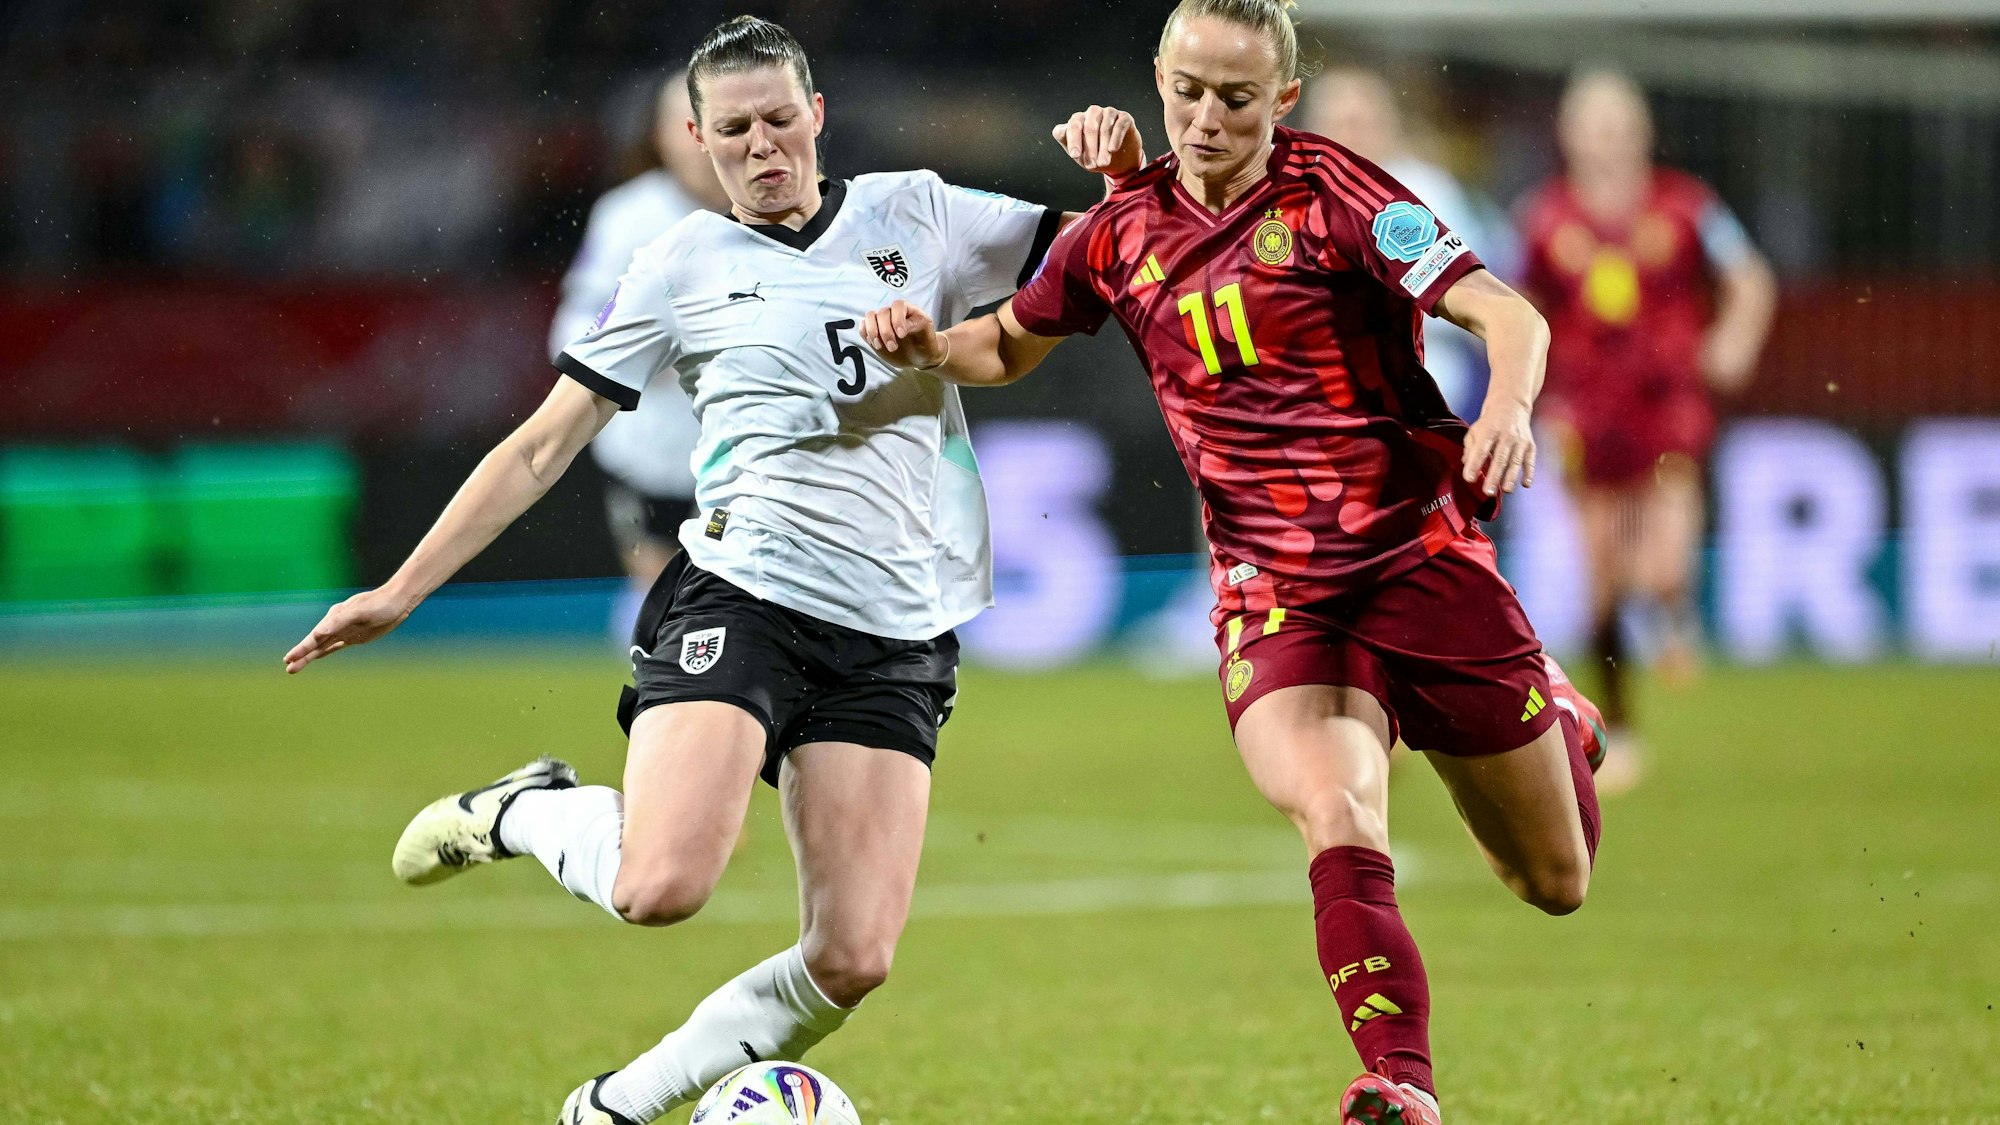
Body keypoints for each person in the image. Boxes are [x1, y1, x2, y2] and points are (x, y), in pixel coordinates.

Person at [281, 17, 1099, 1124]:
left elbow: (1100, 256)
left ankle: (612, 1103)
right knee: (659, 886)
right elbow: (541, 445)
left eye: (779, 120)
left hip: (896, 630)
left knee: (852, 957)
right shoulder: (678, 264)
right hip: (744, 596)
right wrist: (401, 590)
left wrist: (1126, 179)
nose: (762, 147)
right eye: (735, 130)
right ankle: (529, 812)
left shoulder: (920, 212)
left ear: (817, 115)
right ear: (697, 140)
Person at [861, 2, 1606, 1121]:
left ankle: (1559, 712)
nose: (1206, 118)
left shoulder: (1341, 195)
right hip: (1275, 596)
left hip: (1416, 561)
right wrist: (931, 345)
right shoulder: (1119, 231)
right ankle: (1401, 1083)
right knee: (1335, 808)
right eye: (1187, 92)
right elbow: (1007, 341)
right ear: (1159, 81)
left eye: (1236, 98)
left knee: (1552, 879)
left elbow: (1510, 317)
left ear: (1283, 99)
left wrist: (1505, 408)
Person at [1519, 69, 1776, 791]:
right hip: (1584, 414)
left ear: (1642, 133)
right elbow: (1516, 302)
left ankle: (1672, 604)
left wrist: (1735, 339)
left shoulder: (1687, 207)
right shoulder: (1543, 218)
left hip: (1666, 409)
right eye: (1592, 126)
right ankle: (1620, 729)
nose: (1606, 140)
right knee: (1600, 583)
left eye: (1618, 126)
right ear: (1568, 137)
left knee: (1662, 563)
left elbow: (1750, 278)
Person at [549, 70, 729, 641]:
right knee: (666, 606)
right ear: (660, 136)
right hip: (651, 449)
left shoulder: (777, 207)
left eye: (715, 124)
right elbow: (575, 328)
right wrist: (647, 351)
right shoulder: (629, 217)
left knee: (737, 603)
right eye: (687, 126)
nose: (701, 142)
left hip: (750, 451)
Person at [1306, 67, 1513, 417]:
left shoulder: (1426, 192)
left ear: (1388, 126)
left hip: (1424, 363)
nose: (1351, 136)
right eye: (1339, 123)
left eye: (1362, 122)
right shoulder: (1288, 197)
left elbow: (1477, 295)